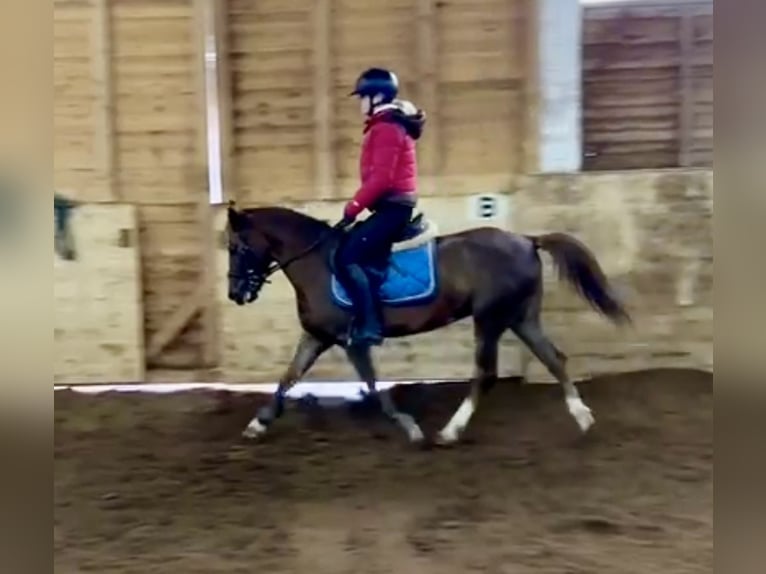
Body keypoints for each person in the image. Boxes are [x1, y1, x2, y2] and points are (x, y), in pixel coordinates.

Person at [334, 67, 426, 349]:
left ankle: (371, 326)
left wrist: (353, 208)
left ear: (376, 97)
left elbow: (382, 179)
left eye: (362, 97)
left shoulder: (386, 128)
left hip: (393, 208)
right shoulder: (386, 124)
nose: (360, 103)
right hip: (391, 206)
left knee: (346, 257)